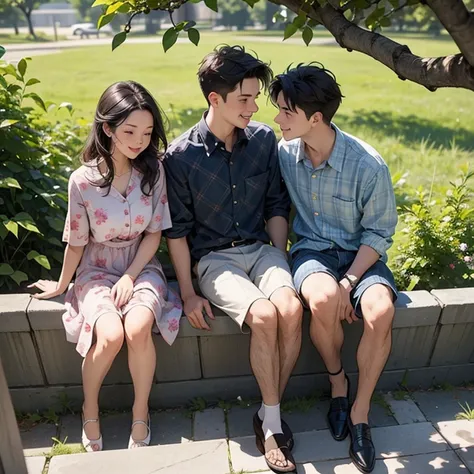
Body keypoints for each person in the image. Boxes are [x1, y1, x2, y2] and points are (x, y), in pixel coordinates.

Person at [164, 45, 303, 473]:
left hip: (263, 251)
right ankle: (273, 425)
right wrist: (187, 294)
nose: (254, 106)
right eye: (244, 98)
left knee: (290, 308)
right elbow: (178, 231)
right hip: (214, 261)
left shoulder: (262, 141)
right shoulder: (180, 156)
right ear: (215, 99)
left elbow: (277, 206)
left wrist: (277, 261)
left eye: (255, 97)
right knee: (263, 317)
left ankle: (266, 410)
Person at [29, 81, 182, 452]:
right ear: (108, 128)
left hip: (141, 265)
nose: (139, 141)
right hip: (96, 269)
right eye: (129, 131)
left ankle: (140, 412)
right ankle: (90, 409)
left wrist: (131, 276)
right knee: (111, 334)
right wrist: (63, 284)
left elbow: (153, 234)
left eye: (147, 132)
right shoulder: (82, 182)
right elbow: (77, 241)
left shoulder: (154, 172)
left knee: (139, 326)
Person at [271, 64, 398, 473]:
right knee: (323, 299)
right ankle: (337, 381)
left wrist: (351, 279)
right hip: (312, 253)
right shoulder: (285, 153)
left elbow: (379, 233)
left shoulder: (367, 165)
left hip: (361, 256)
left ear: (316, 117)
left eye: (286, 111)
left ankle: (360, 413)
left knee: (380, 311)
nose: (276, 118)